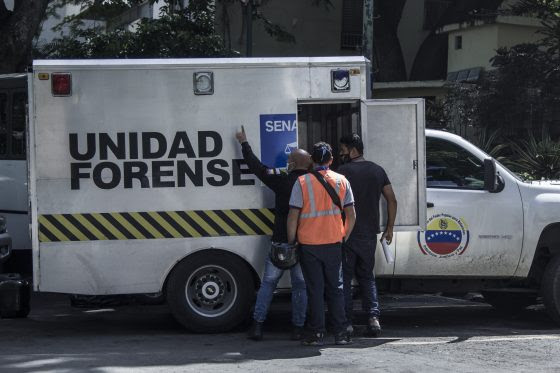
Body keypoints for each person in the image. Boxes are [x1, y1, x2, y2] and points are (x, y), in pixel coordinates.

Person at [235, 126, 311, 341]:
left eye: (289, 161)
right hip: (305, 244)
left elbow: (257, 168)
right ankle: (298, 328)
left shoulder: (282, 180)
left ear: (293, 164)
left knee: (268, 284)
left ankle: (258, 326)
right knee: (300, 287)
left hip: (281, 242)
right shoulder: (314, 184)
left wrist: (244, 143)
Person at [287, 142, 356, 346]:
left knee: (315, 290)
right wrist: (344, 235)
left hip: (309, 245)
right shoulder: (342, 181)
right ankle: (341, 333)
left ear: (312, 160)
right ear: (331, 160)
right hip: (334, 242)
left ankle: (317, 333)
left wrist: (292, 242)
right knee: (336, 288)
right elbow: (351, 215)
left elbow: (293, 216)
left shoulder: (301, 182)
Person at [338, 133, 397, 337]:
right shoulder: (377, 171)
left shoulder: (342, 172)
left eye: (343, 149)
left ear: (352, 149)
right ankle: (373, 319)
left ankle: (346, 323)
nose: (340, 153)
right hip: (369, 234)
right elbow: (392, 200)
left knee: (345, 278)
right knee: (367, 277)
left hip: (347, 233)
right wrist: (389, 227)